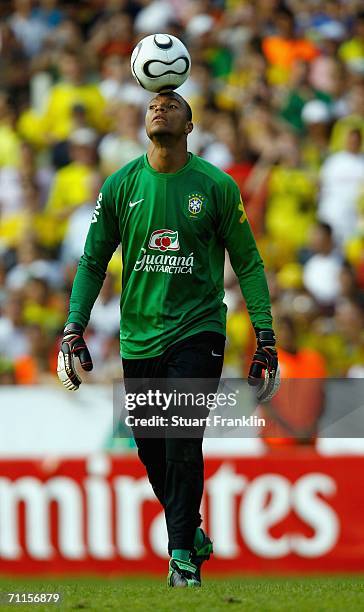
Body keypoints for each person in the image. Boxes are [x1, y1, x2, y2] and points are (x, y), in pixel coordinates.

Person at [56, 91, 279, 587]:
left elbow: (248, 261)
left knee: (181, 436)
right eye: (154, 104)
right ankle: (191, 530)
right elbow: (93, 261)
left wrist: (265, 335)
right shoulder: (120, 186)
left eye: (173, 103)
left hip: (198, 329)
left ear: (190, 123)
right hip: (138, 337)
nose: (161, 107)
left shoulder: (216, 186)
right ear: (142, 121)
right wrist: (74, 326)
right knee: (151, 447)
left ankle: (180, 558)